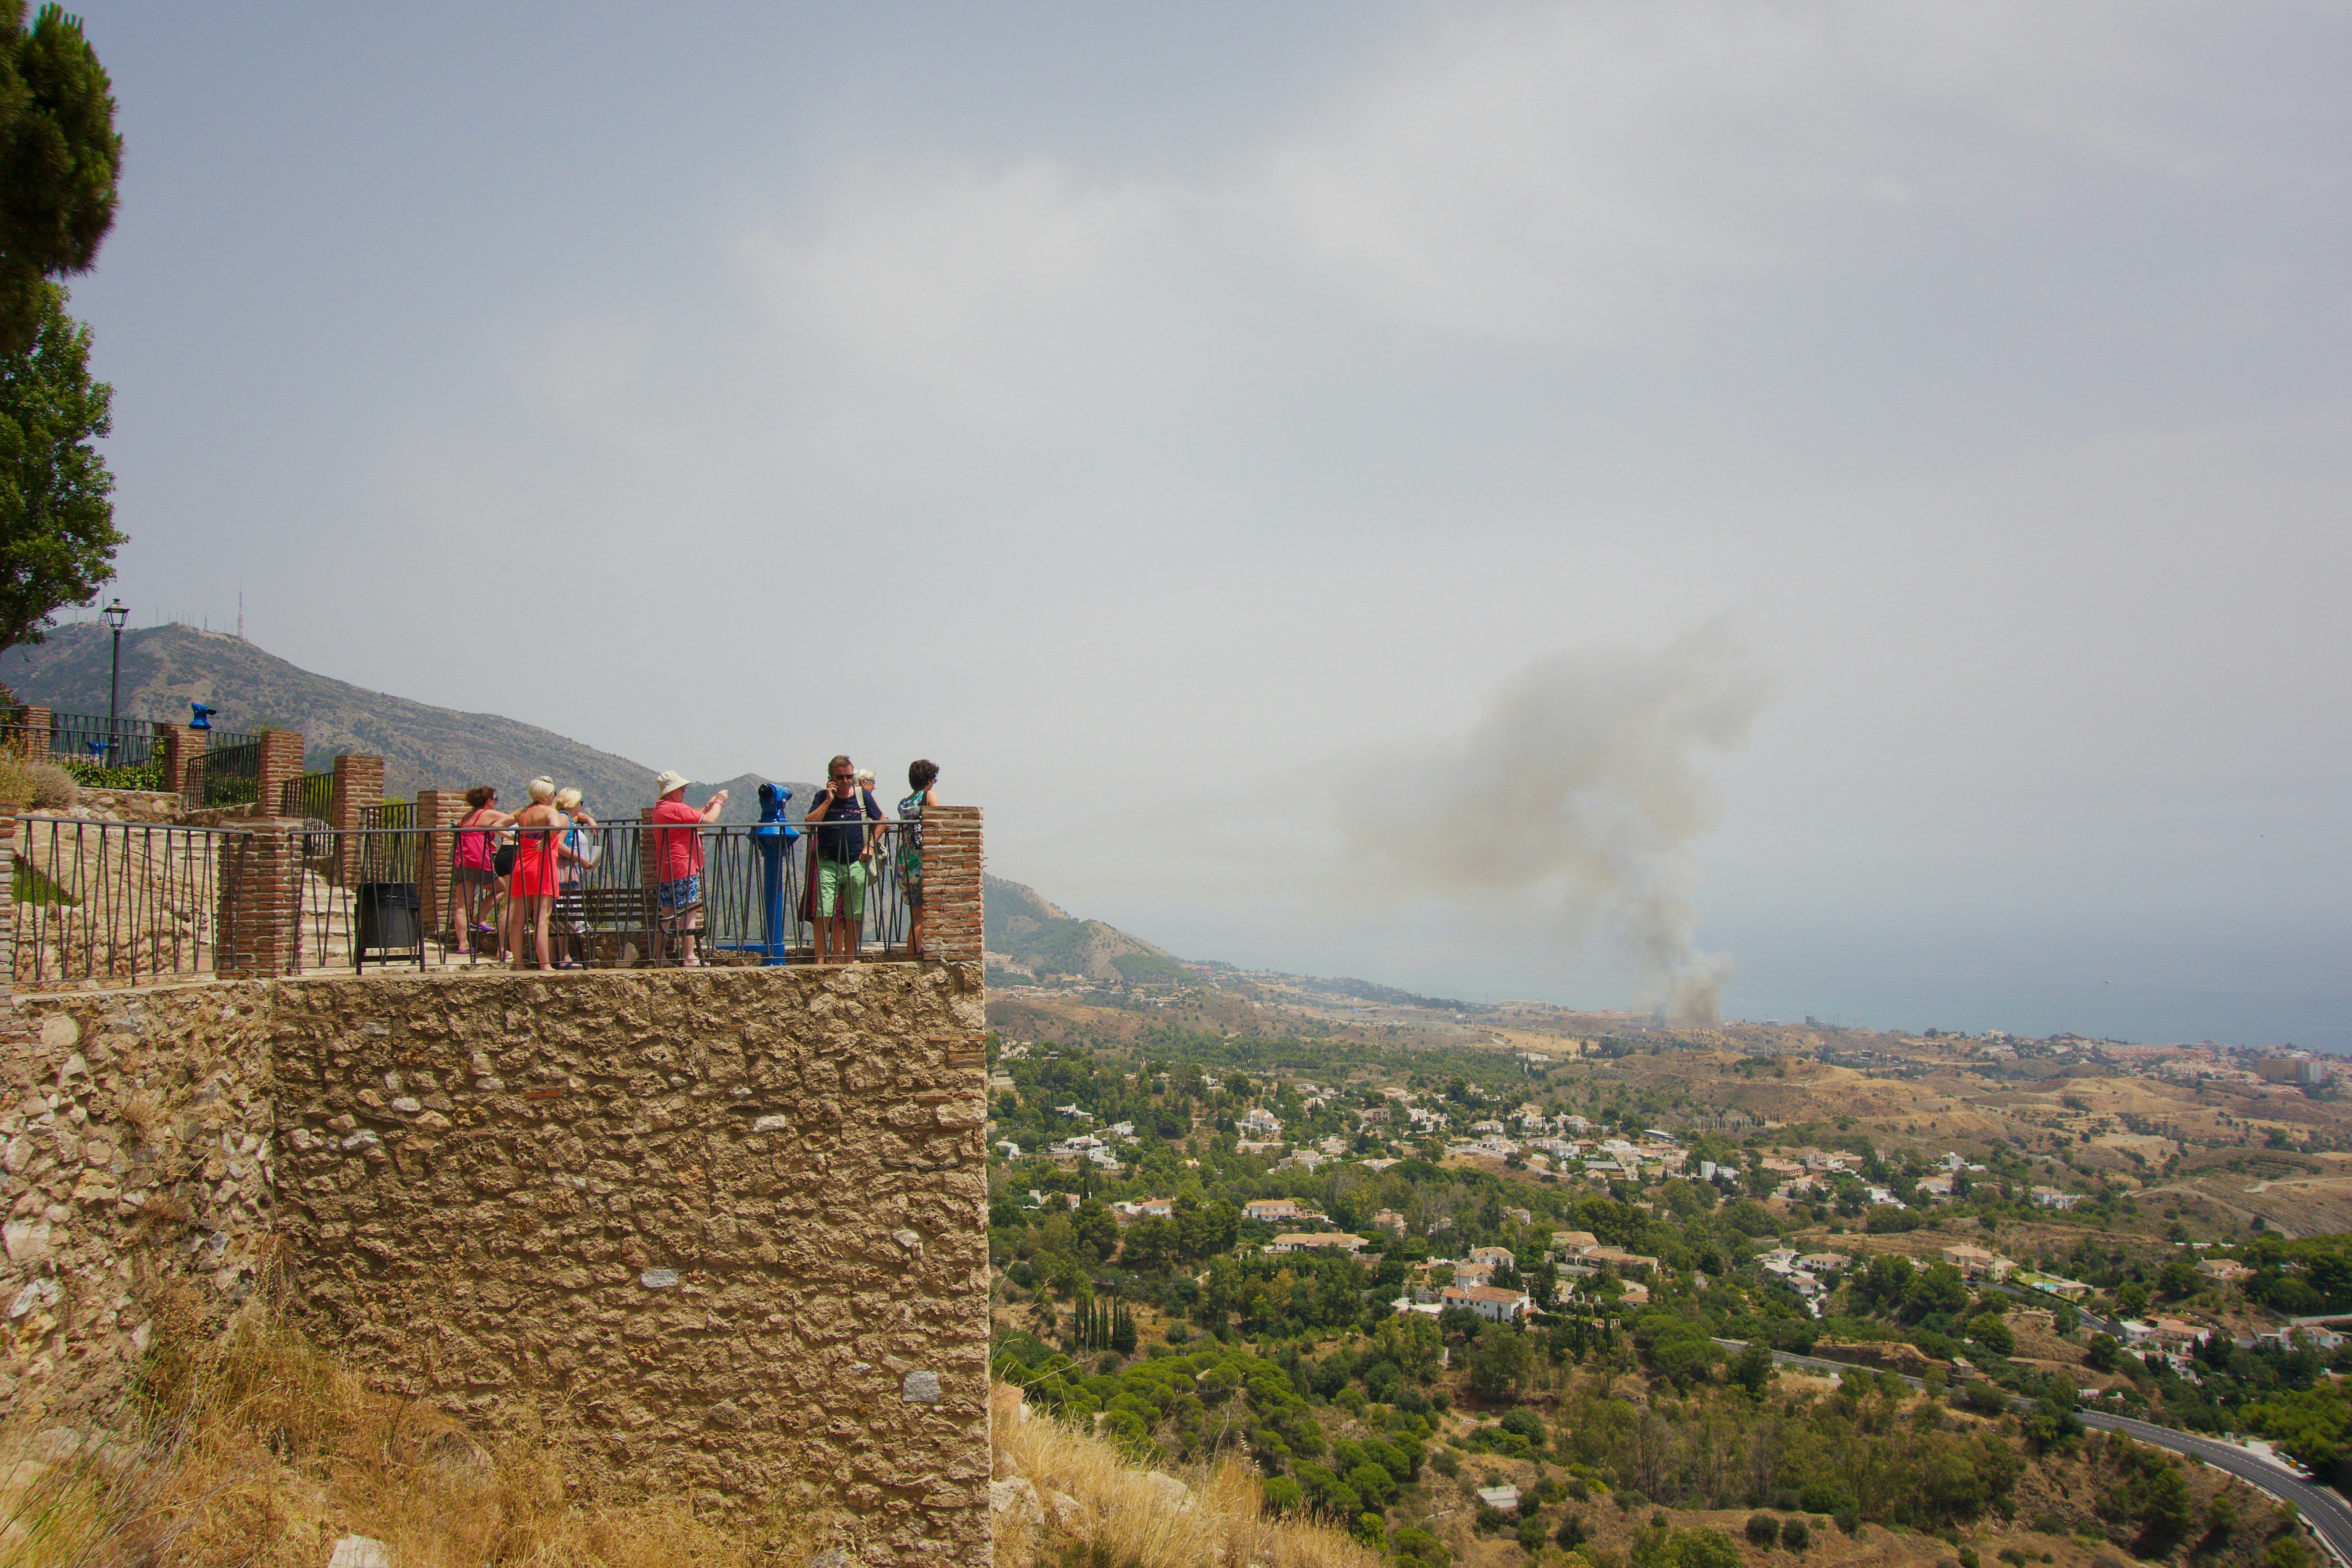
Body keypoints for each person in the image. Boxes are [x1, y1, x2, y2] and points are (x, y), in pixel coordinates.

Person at [805, 754, 881, 964]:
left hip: (856, 863)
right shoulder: (822, 797)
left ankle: (849, 961)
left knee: (854, 914)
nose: (845, 782)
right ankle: (819, 960)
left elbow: (882, 820)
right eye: (840, 778)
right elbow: (810, 825)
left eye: (849, 777)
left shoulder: (861, 797)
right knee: (823, 911)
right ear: (831, 778)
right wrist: (828, 801)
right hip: (828, 862)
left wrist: (871, 845)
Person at [650, 769, 727, 966]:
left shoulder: (661, 810)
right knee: (689, 912)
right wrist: (718, 802)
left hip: (666, 869)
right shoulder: (676, 808)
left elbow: (693, 818)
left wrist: (707, 806)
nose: (684, 791)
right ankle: (689, 957)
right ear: (672, 790)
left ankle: (659, 957)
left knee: (666, 915)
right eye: (681, 788)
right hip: (683, 867)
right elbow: (709, 821)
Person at [505, 777, 564, 971]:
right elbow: (557, 827)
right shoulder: (549, 811)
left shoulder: (521, 813)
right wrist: (547, 838)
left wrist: (517, 837)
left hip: (521, 865)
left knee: (518, 918)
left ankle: (519, 964)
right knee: (541, 918)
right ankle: (545, 965)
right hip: (542, 865)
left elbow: (496, 825)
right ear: (548, 794)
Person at [451, 786, 511, 956]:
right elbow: (513, 819)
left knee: (462, 906)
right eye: (495, 799)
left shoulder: (467, 816)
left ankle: (463, 945)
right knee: (502, 889)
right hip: (479, 862)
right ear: (489, 801)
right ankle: (479, 917)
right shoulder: (488, 814)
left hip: (461, 861)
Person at [897, 760, 942, 959]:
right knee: (923, 918)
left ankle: (911, 956)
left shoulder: (904, 803)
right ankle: (914, 959)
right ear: (929, 780)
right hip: (923, 863)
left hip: (905, 862)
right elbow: (939, 825)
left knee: (916, 916)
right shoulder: (928, 796)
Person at [553, 787, 600, 968]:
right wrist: (579, 858)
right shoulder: (564, 818)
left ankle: (560, 957)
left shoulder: (565, 817)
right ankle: (563, 957)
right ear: (574, 803)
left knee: (565, 914)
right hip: (565, 874)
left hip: (569, 873)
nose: (581, 806)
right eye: (581, 803)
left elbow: (575, 818)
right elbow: (558, 844)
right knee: (566, 915)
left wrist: (588, 819)